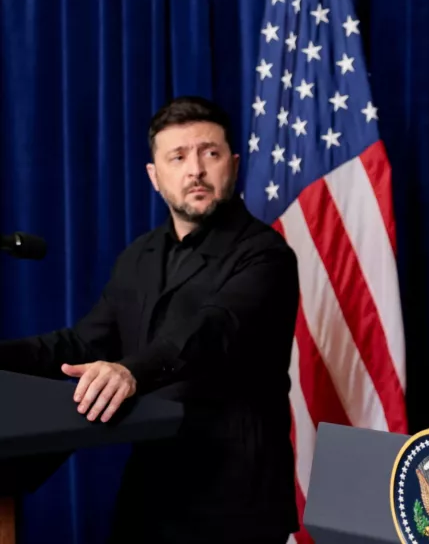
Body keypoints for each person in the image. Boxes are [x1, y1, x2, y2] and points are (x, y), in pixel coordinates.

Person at [0, 96, 300, 543]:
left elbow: (209, 331)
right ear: (154, 176)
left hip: (236, 494)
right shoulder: (139, 255)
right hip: (153, 488)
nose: (195, 169)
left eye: (210, 153)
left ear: (233, 165)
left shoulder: (266, 254)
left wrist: (129, 371)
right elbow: (82, 343)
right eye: (177, 157)